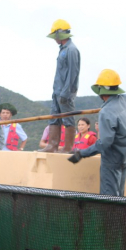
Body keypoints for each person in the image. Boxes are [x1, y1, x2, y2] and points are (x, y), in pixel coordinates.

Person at [68, 69, 126, 196]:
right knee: (120, 196)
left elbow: (104, 143)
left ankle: (111, 216)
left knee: (110, 198)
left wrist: (81, 154)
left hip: (112, 161)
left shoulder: (106, 112)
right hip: (125, 158)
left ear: (101, 91)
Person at [43, 19, 80, 153]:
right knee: (54, 117)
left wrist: (66, 92)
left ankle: (68, 147)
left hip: (66, 92)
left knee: (68, 119)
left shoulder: (71, 50)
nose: (54, 39)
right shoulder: (62, 49)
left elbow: (72, 73)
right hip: (57, 90)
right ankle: (52, 145)